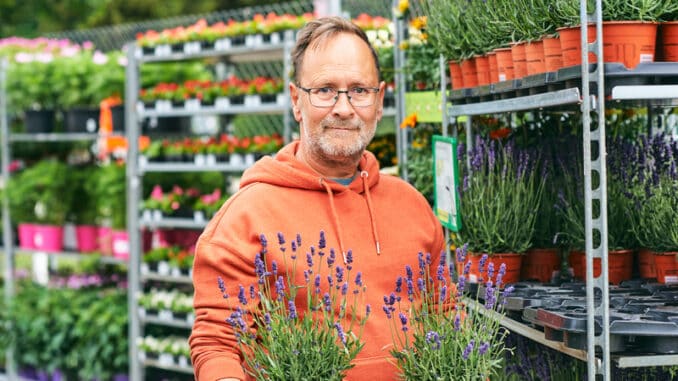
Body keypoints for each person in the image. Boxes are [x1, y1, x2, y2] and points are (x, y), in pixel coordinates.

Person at [189, 16, 445, 381]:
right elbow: (218, 343)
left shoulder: (412, 205)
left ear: (380, 99)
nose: (343, 108)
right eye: (325, 90)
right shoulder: (246, 216)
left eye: (359, 90)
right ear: (296, 100)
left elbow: (446, 314)